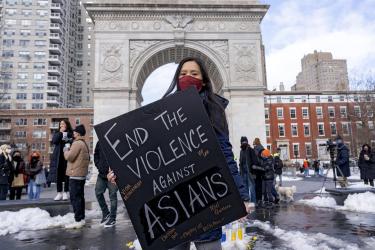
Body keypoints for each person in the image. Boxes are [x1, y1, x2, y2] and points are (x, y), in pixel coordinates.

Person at [108, 57, 252, 250]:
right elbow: (148, 155)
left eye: (194, 73)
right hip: (173, 202)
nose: (188, 77)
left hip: (206, 196)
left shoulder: (214, 109)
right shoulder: (162, 110)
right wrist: (122, 174)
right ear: (176, 79)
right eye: (183, 74)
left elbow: (225, 154)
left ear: (204, 79)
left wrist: (241, 196)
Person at [64, 124, 90, 229]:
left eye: (74, 132)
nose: (73, 133)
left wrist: (66, 149)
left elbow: (70, 157)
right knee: (80, 198)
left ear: (78, 133)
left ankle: (78, 220)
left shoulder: (77, 143)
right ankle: (81, 218)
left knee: (75, 198)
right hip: (81, 175)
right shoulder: (84, 143)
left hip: (75, 175)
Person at [94, 141, 118, 227]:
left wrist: (116, 170)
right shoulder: (99, 141)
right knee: (98, 192)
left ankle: (112, 219)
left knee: (113, 196)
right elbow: (96, 154)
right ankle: (106, 212)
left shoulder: (115, 139)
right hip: (102, 174)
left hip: (113, 175)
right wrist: (98, 165)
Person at [49, 119, 73, 201]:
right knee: (58, 174)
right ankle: (59, 192)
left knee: (67, 175)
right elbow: (54, 141)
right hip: (58, 156)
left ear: (67, 124)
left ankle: (66, 192)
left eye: (63, 123)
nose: (61, 125)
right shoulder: (57, 133)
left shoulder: (71, 133)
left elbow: (72, 141)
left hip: (67, 156)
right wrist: (60, 133)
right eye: (60, 124)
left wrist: (69, 140)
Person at [239, 136, 257, 202]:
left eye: (245, 141)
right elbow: (240, 162)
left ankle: (253, 202)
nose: (244, 143)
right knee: (245, 188)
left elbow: (255, 161)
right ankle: (246, 202)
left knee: (252, 188)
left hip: (250, 172)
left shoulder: (250, 150)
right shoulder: (241, 151)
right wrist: (240, 172)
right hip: (243, 173)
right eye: (243, 142)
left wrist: (253, 171)